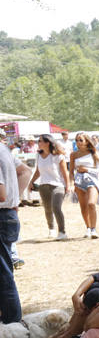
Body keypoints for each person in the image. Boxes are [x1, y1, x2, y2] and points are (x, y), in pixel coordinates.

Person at [29, 135, 69, 240]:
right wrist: (31, 182)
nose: (38, 143)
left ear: (48, 143)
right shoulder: (38, 156)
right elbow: (38, 171)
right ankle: (51, 229)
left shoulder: (58, 156)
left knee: (56, 207)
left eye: (40, 141)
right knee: (47, 209)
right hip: (43, 185)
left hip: (58, 185)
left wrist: (68, 186)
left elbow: (65, 173)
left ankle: (62, 232)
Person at [0, 138, 21, 323]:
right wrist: (16, 200)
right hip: (7, 215)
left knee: (3, 275)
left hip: (2, 216)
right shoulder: (4, 149)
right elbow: (25, 171)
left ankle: (12, 324)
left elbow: (0, 193)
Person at [70, 132, 99, 238]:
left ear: (86, 141)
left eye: (80, 140)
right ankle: (88, 227)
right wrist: (71, 184)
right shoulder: (73, 155)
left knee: (91, 204)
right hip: (79, 181)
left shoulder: (94, 152)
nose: (78, 142)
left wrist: (87, 169)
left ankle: (94, 229)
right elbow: (70, 171)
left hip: (92, 180)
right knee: (83, 207)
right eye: (76, 140)